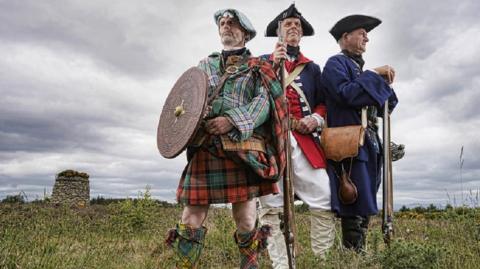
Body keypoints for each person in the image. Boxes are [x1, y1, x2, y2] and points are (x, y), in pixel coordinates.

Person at [164, 9, 288, 269]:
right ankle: (185, 264)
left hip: (243, 148)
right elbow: (187, 102)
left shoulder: (259, 68)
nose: (226, 26)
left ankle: (250, 265)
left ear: (244, 33)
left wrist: (231, 120)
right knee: (191, 216)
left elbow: (264, 104)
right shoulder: (204, 66)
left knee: (245, 217)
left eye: (232, 24)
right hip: (207, 145)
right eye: (223, 23)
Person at [258, 4, 336, 267]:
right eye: (288, 24)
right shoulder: (262, 63)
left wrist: (314, 119)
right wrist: (273, 64)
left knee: (324, 195)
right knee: (270, 206)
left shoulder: (312, 69)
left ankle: (321, 261)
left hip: (303, 141)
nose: (293, 28)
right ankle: (283, 265)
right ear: (278, 31)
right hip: (270, 141)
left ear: (301, 34)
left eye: (297, 25)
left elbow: (323, 103)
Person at [321, 14, 398, 252]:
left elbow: (388, 104)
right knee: (352, 198)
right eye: (362, 33)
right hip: (349, 144)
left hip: (370, 142)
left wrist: (375, 82)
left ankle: (358, 255)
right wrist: (374, 76)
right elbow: (346, 94)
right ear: (346, 37)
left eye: (366, 35)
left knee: (366, 200)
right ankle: (353, 256)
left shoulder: (360, 69)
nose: (366, 38)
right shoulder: (335, 63)